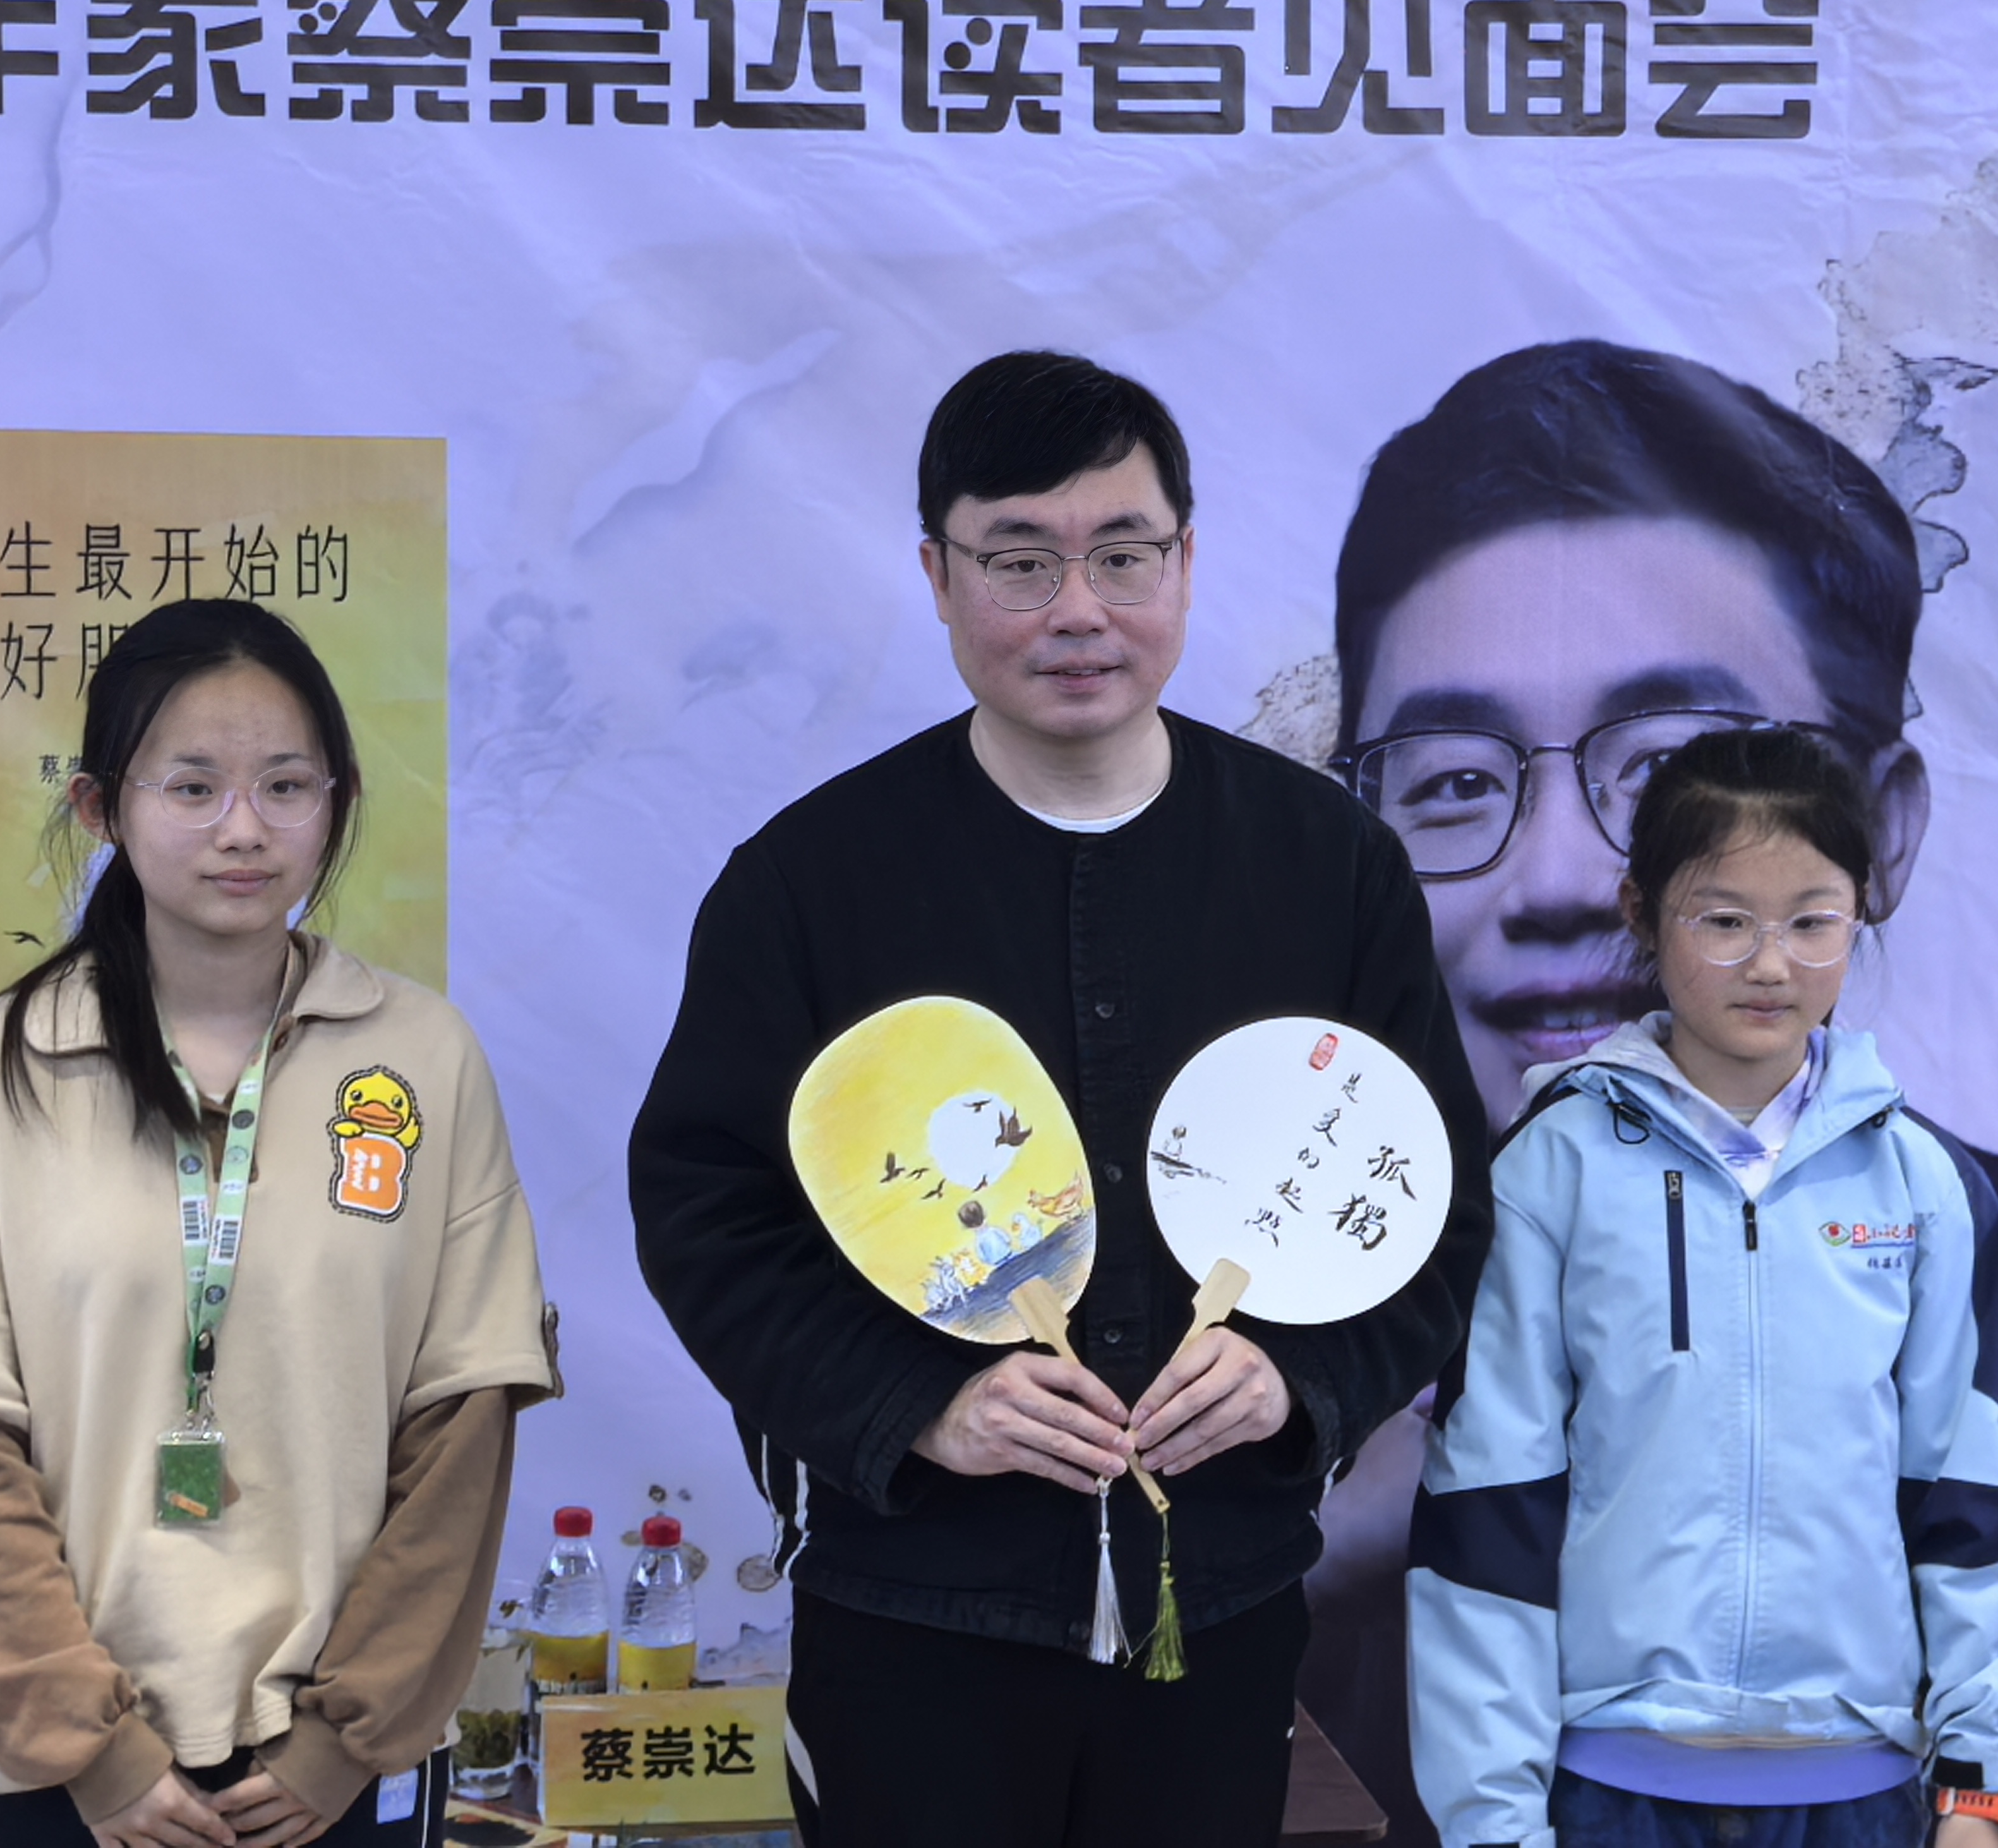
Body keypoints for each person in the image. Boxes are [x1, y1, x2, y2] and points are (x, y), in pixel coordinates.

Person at [1315, 338, 1998, 1847]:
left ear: (1873, 840)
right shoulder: (1300, 1343)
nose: (1557, 877)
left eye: (1675, 773)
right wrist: (1281, 1562)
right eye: (1453, 782)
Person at [627, 350, 1491, 1848]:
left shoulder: (1324, 865)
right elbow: (711, 1218)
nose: (1076, 608)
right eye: (1019, 561)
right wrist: (919, 1407)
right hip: (912, 1613)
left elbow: (1436, 1207)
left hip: (1217, 1612)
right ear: (938, 575)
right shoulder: (811, 882)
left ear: (1185, 563)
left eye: (1121, 554)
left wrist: (1300, 1384)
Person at [0, 600, 555, 1848]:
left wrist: (345, 1741)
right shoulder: (3, 1064)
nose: (244, 829)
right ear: (99, 809)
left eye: (286, 786)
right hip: (65, 1773)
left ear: (337, 801)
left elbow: (463, 1426)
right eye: (193, 788)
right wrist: (97, 1755)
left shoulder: (422, 1058)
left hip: (337, 1768)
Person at [1411, 724, 1998, 1847]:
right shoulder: (1552, 1170)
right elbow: (1488, 1510)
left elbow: (1969, 1502)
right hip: (1607, 1788)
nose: (1770, 964)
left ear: (1863, 912)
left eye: (1812, 921)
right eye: (1724, 921)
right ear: (1641, 911)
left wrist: (1984, 1790)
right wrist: (1493, 1824)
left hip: (1860, 1792)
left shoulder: (1925, 1186)